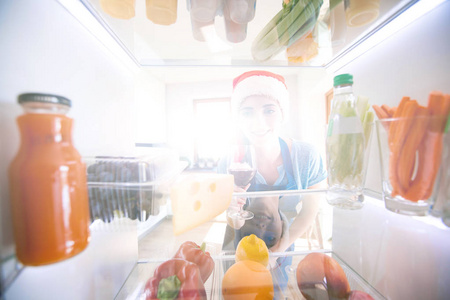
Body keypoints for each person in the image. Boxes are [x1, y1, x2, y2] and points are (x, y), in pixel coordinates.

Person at [217, 70, 327, 273]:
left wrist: (279, 249)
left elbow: (309, 211)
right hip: (237, 249)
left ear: (283, 113)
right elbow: (234, 221)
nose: (259, 122)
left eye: (269, 110)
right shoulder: (230, 161)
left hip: (282, 243)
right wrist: (234, 209)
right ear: (238, 118)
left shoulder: (306, 157)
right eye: (247, 112)